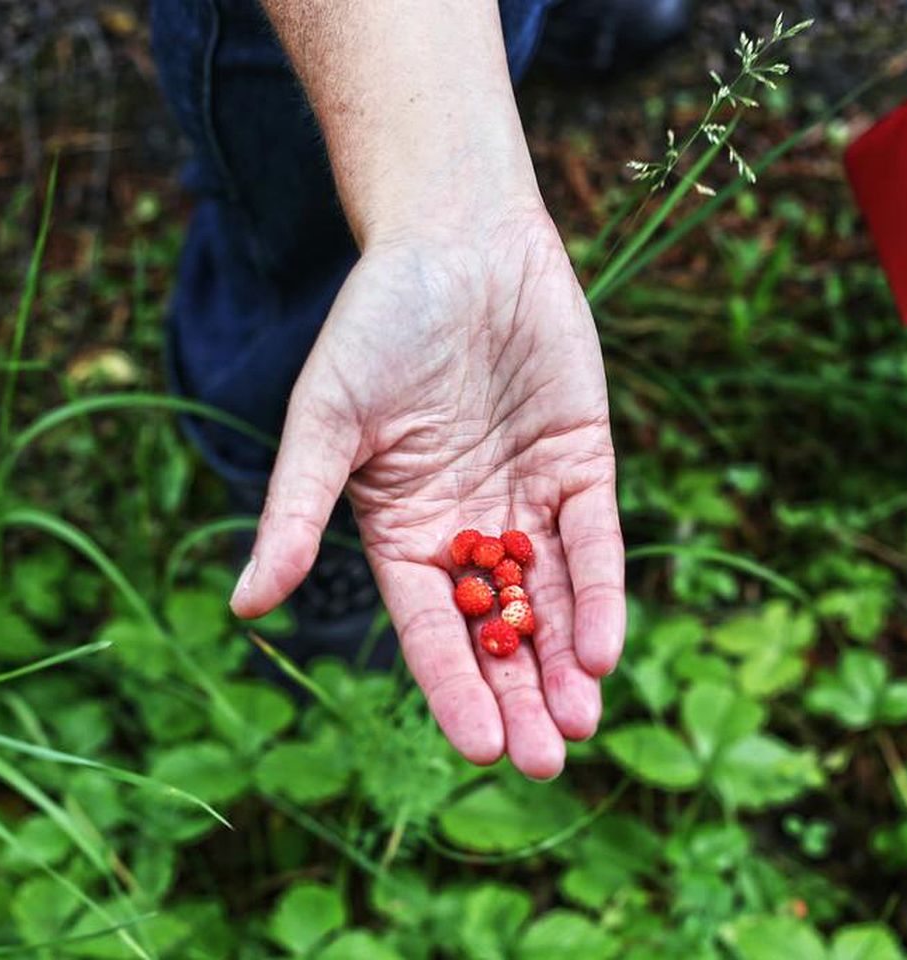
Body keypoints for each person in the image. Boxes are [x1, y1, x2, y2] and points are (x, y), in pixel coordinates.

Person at [150, 0, 689, 780]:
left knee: (494, 40)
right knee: (304, 233)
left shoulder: (495, 577)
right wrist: (442, 218)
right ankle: (287, 450)